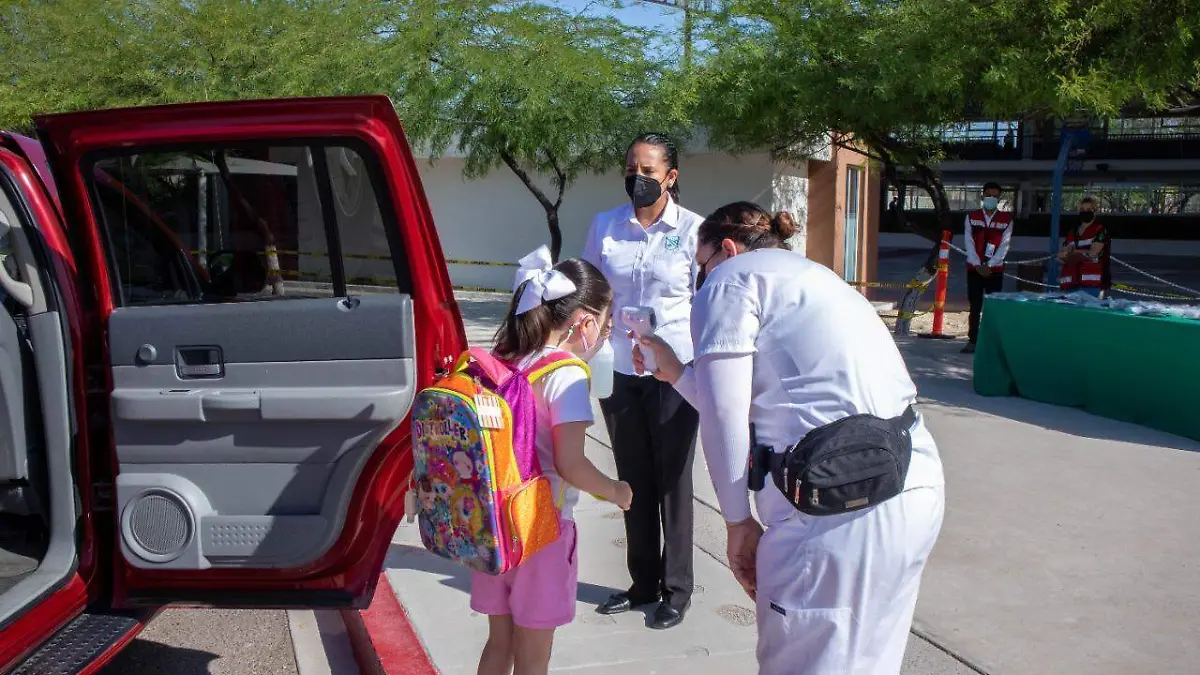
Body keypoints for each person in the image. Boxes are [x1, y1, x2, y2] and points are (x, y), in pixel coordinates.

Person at [633, 202, 945, 675]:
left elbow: (725, 414)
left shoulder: (731, 279)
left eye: (701, 265)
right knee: (868, 659)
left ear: (728, 248)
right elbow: (752, 394)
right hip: (908, 484)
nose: (701, 279)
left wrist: (737, 523)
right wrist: (674, 371)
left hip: (835, 512)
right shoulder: (816, 278)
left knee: (801, 661)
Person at [472, 248, 633, 675]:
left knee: (498, 644)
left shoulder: (507, 358)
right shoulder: (567, 374)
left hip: (493, 525)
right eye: (606, 323)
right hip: (541, 531)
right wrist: (616, 491)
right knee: (533, 657)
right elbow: (570, 464)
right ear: (585, 322)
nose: (604, 336)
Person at [580, 132, 705, 629]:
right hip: (620, 369)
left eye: (649, 171)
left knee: (673, 478)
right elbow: (592, 291)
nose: (638, 178)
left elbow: (707, 302)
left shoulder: (694, 231)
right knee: (633, 476)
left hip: (674, 371)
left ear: (670, 177)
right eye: (632, 169)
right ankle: (643, 583)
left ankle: (677, 588)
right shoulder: (605, 226)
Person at [963, 182, 1013, 354]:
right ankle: (973, 340)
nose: (992, 199)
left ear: (999, 198)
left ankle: (992, 342)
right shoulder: (972, 217)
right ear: (983, 196)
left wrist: (990, 265)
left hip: (995, 270)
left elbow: (1005, 245)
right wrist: (977, 264)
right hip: (974, 269)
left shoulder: (1006, 220)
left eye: (995, 196)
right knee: (975, 305)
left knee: (993, 307)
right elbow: (968, 242)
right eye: (989, 195)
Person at [1056, 196, 1111, 298]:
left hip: (1093, 285)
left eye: (1089, 210)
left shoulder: (1100, 230)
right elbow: (1063, 252)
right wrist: (1064, 254)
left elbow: (1093, 252)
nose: (1085, 212)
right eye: (1082, 210)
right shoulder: (1073, 232)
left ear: (1095, 211)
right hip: (1070, 284)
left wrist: (1073, 252)